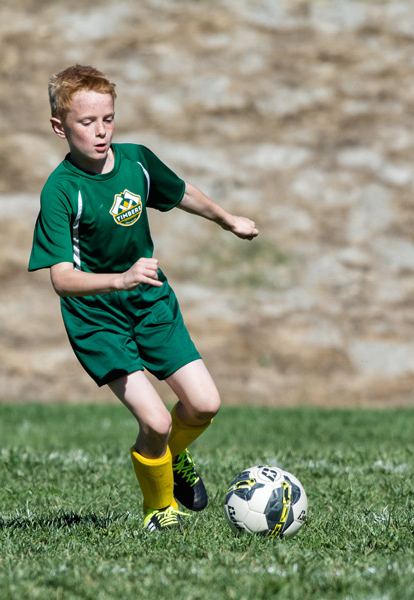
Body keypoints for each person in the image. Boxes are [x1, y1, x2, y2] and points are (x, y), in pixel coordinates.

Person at [28, 65, 259, 532]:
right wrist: (120, 279)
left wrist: (225, 218)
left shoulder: (135, 162)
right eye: (86, 123)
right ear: (59, 127)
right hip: (96, 320)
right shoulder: (60, 191)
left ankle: (172, 460)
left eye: (108, 119)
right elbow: (61, 279)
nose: (100, 132)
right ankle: (160, 510)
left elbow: (179, 192)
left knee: (205, 404)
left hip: (150, 302)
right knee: (155, 421)